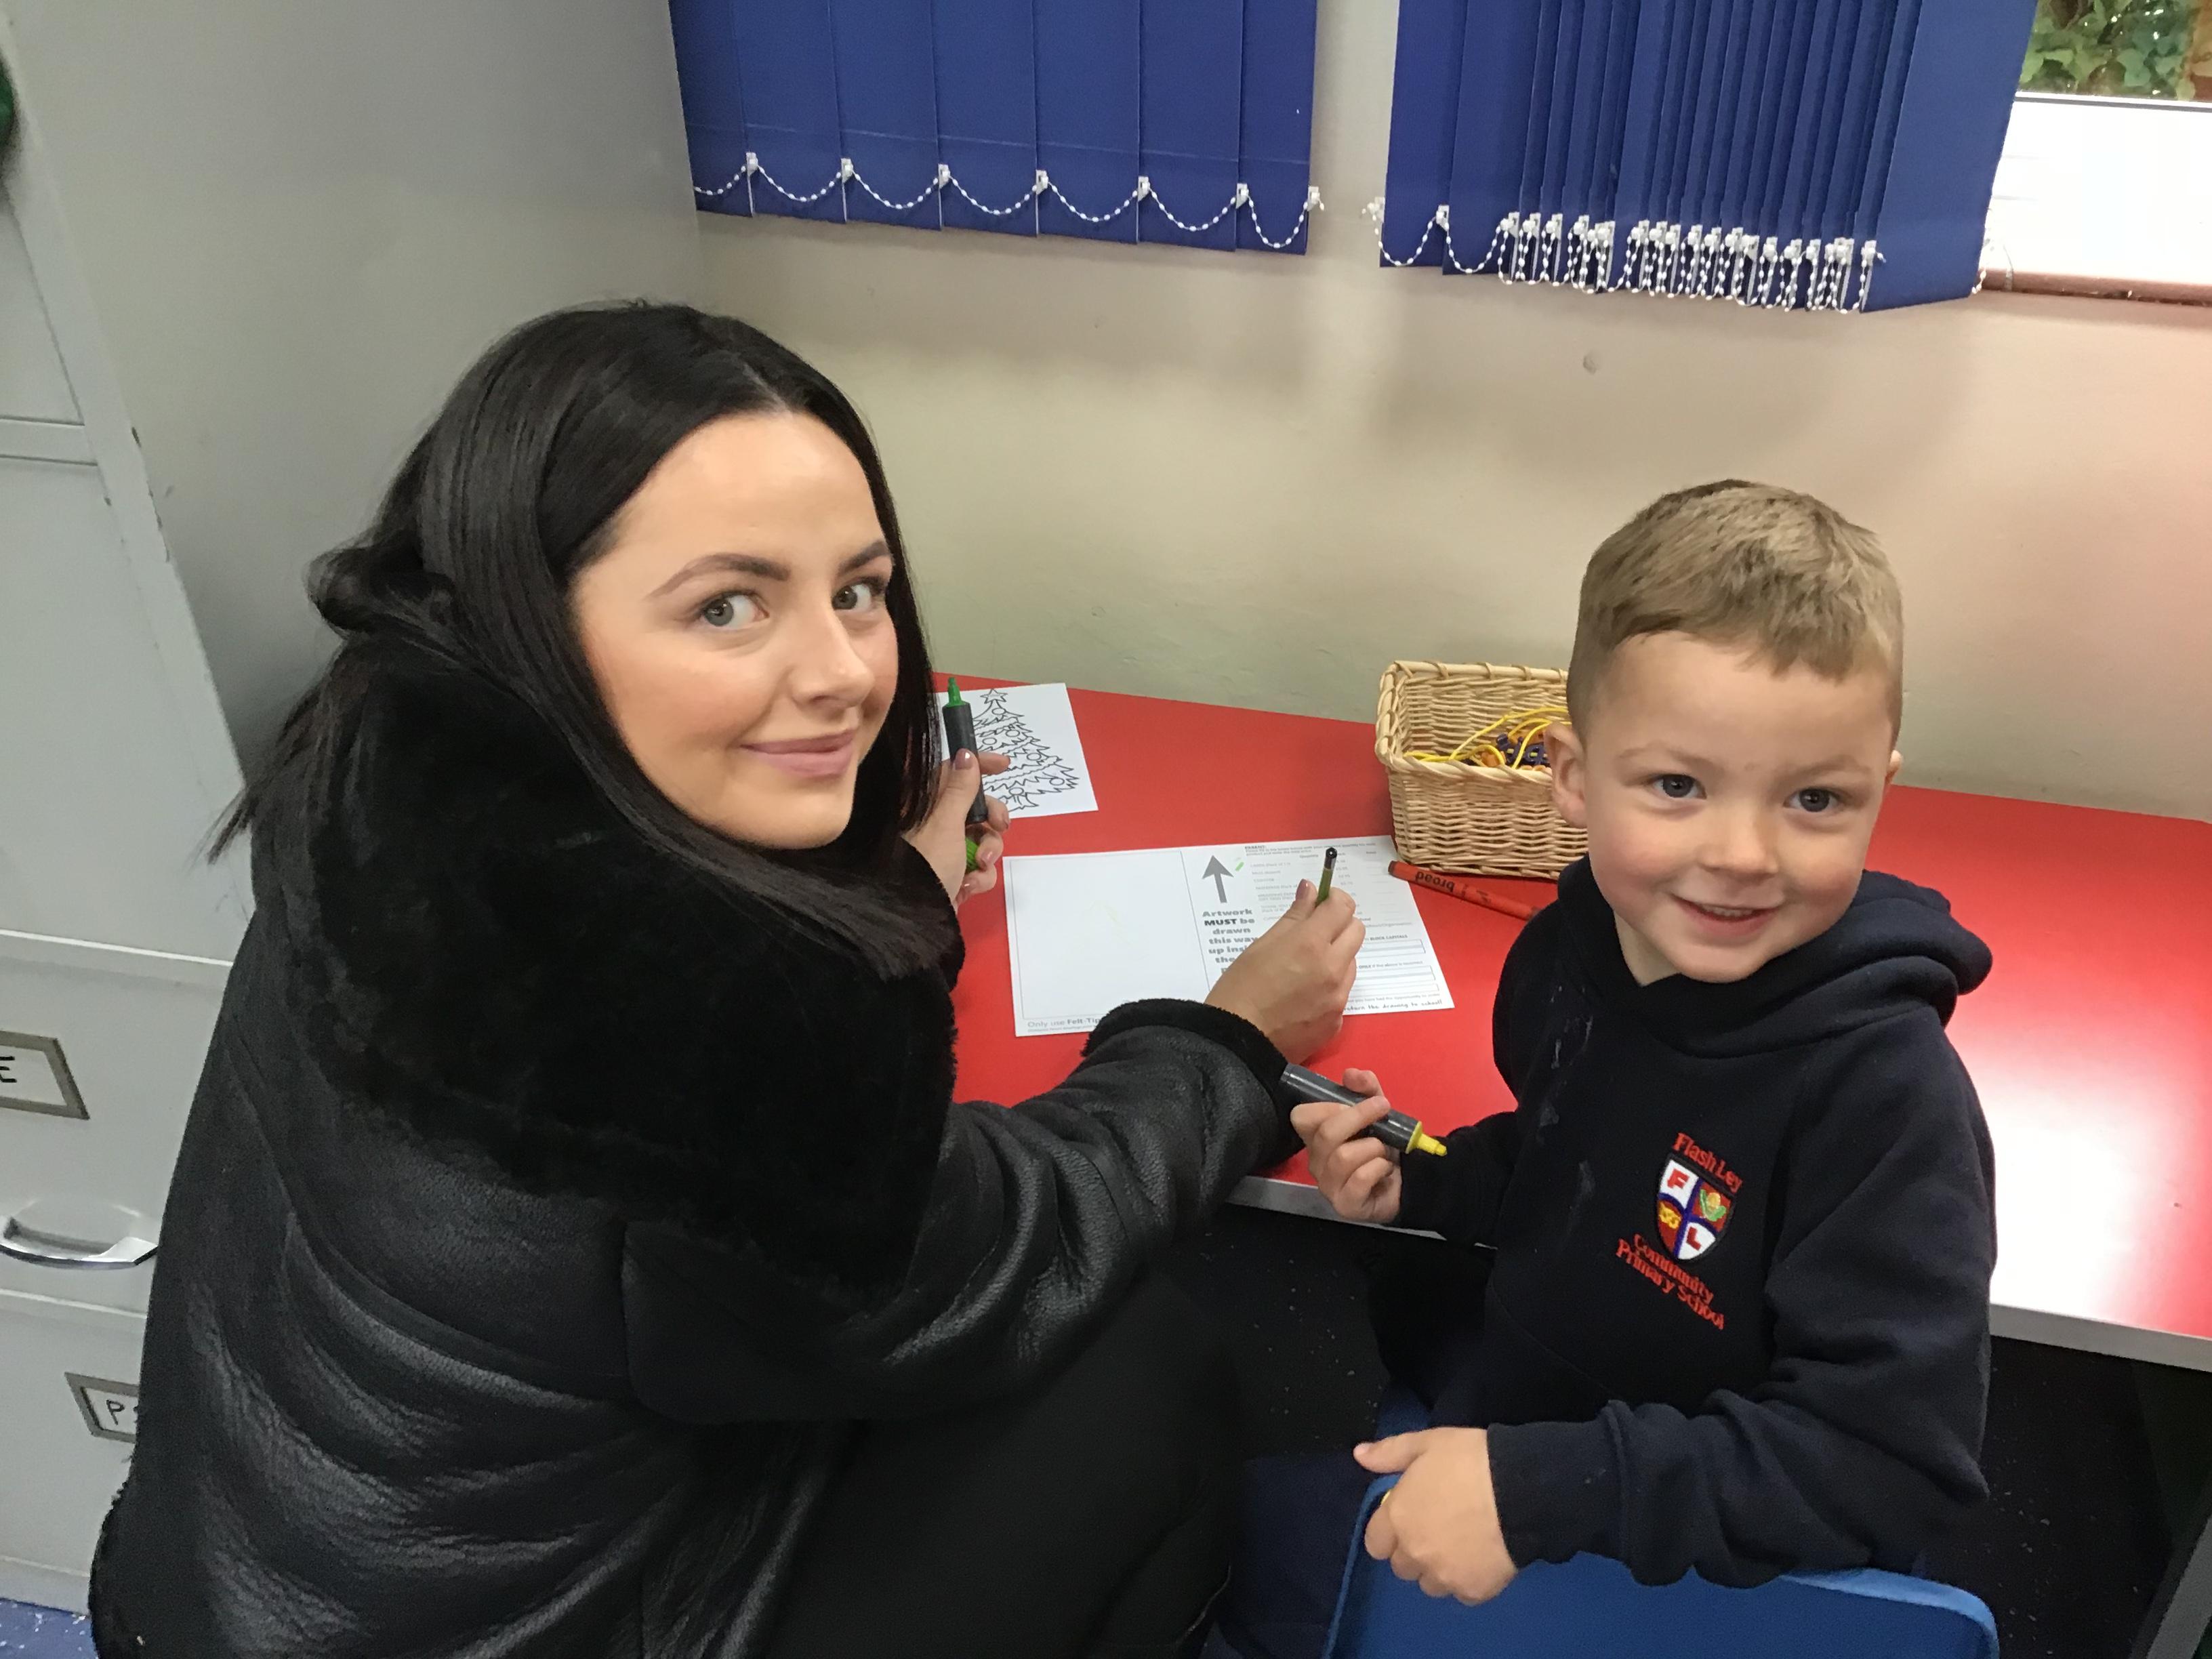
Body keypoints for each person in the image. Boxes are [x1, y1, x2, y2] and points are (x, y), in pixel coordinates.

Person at [88, 302, 1366, 1659]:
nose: (845, 674)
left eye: (858, 590)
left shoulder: (382, 785)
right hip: (522, 1628)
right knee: (1150, 1361)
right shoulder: (685, 1066)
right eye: (727, 606)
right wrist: (1227, 1043)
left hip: (233, 1595)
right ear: (534, 621)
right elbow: (1003, 1254)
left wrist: (893, 900)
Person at [1216, 482, 1996, 1658]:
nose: (1743, 854)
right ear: (1573, 777)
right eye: (1678, 786)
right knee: (1225, 1521)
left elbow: (1886, 1464)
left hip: (1690, 1566)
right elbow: (1578, 1156)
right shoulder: (1572, 953)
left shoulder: (1885, 1097)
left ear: (1883, 783)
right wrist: (1426, 1172)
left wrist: (1540, 1492)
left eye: (1816, 799)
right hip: (1547, 1439)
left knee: (1248, 1564)